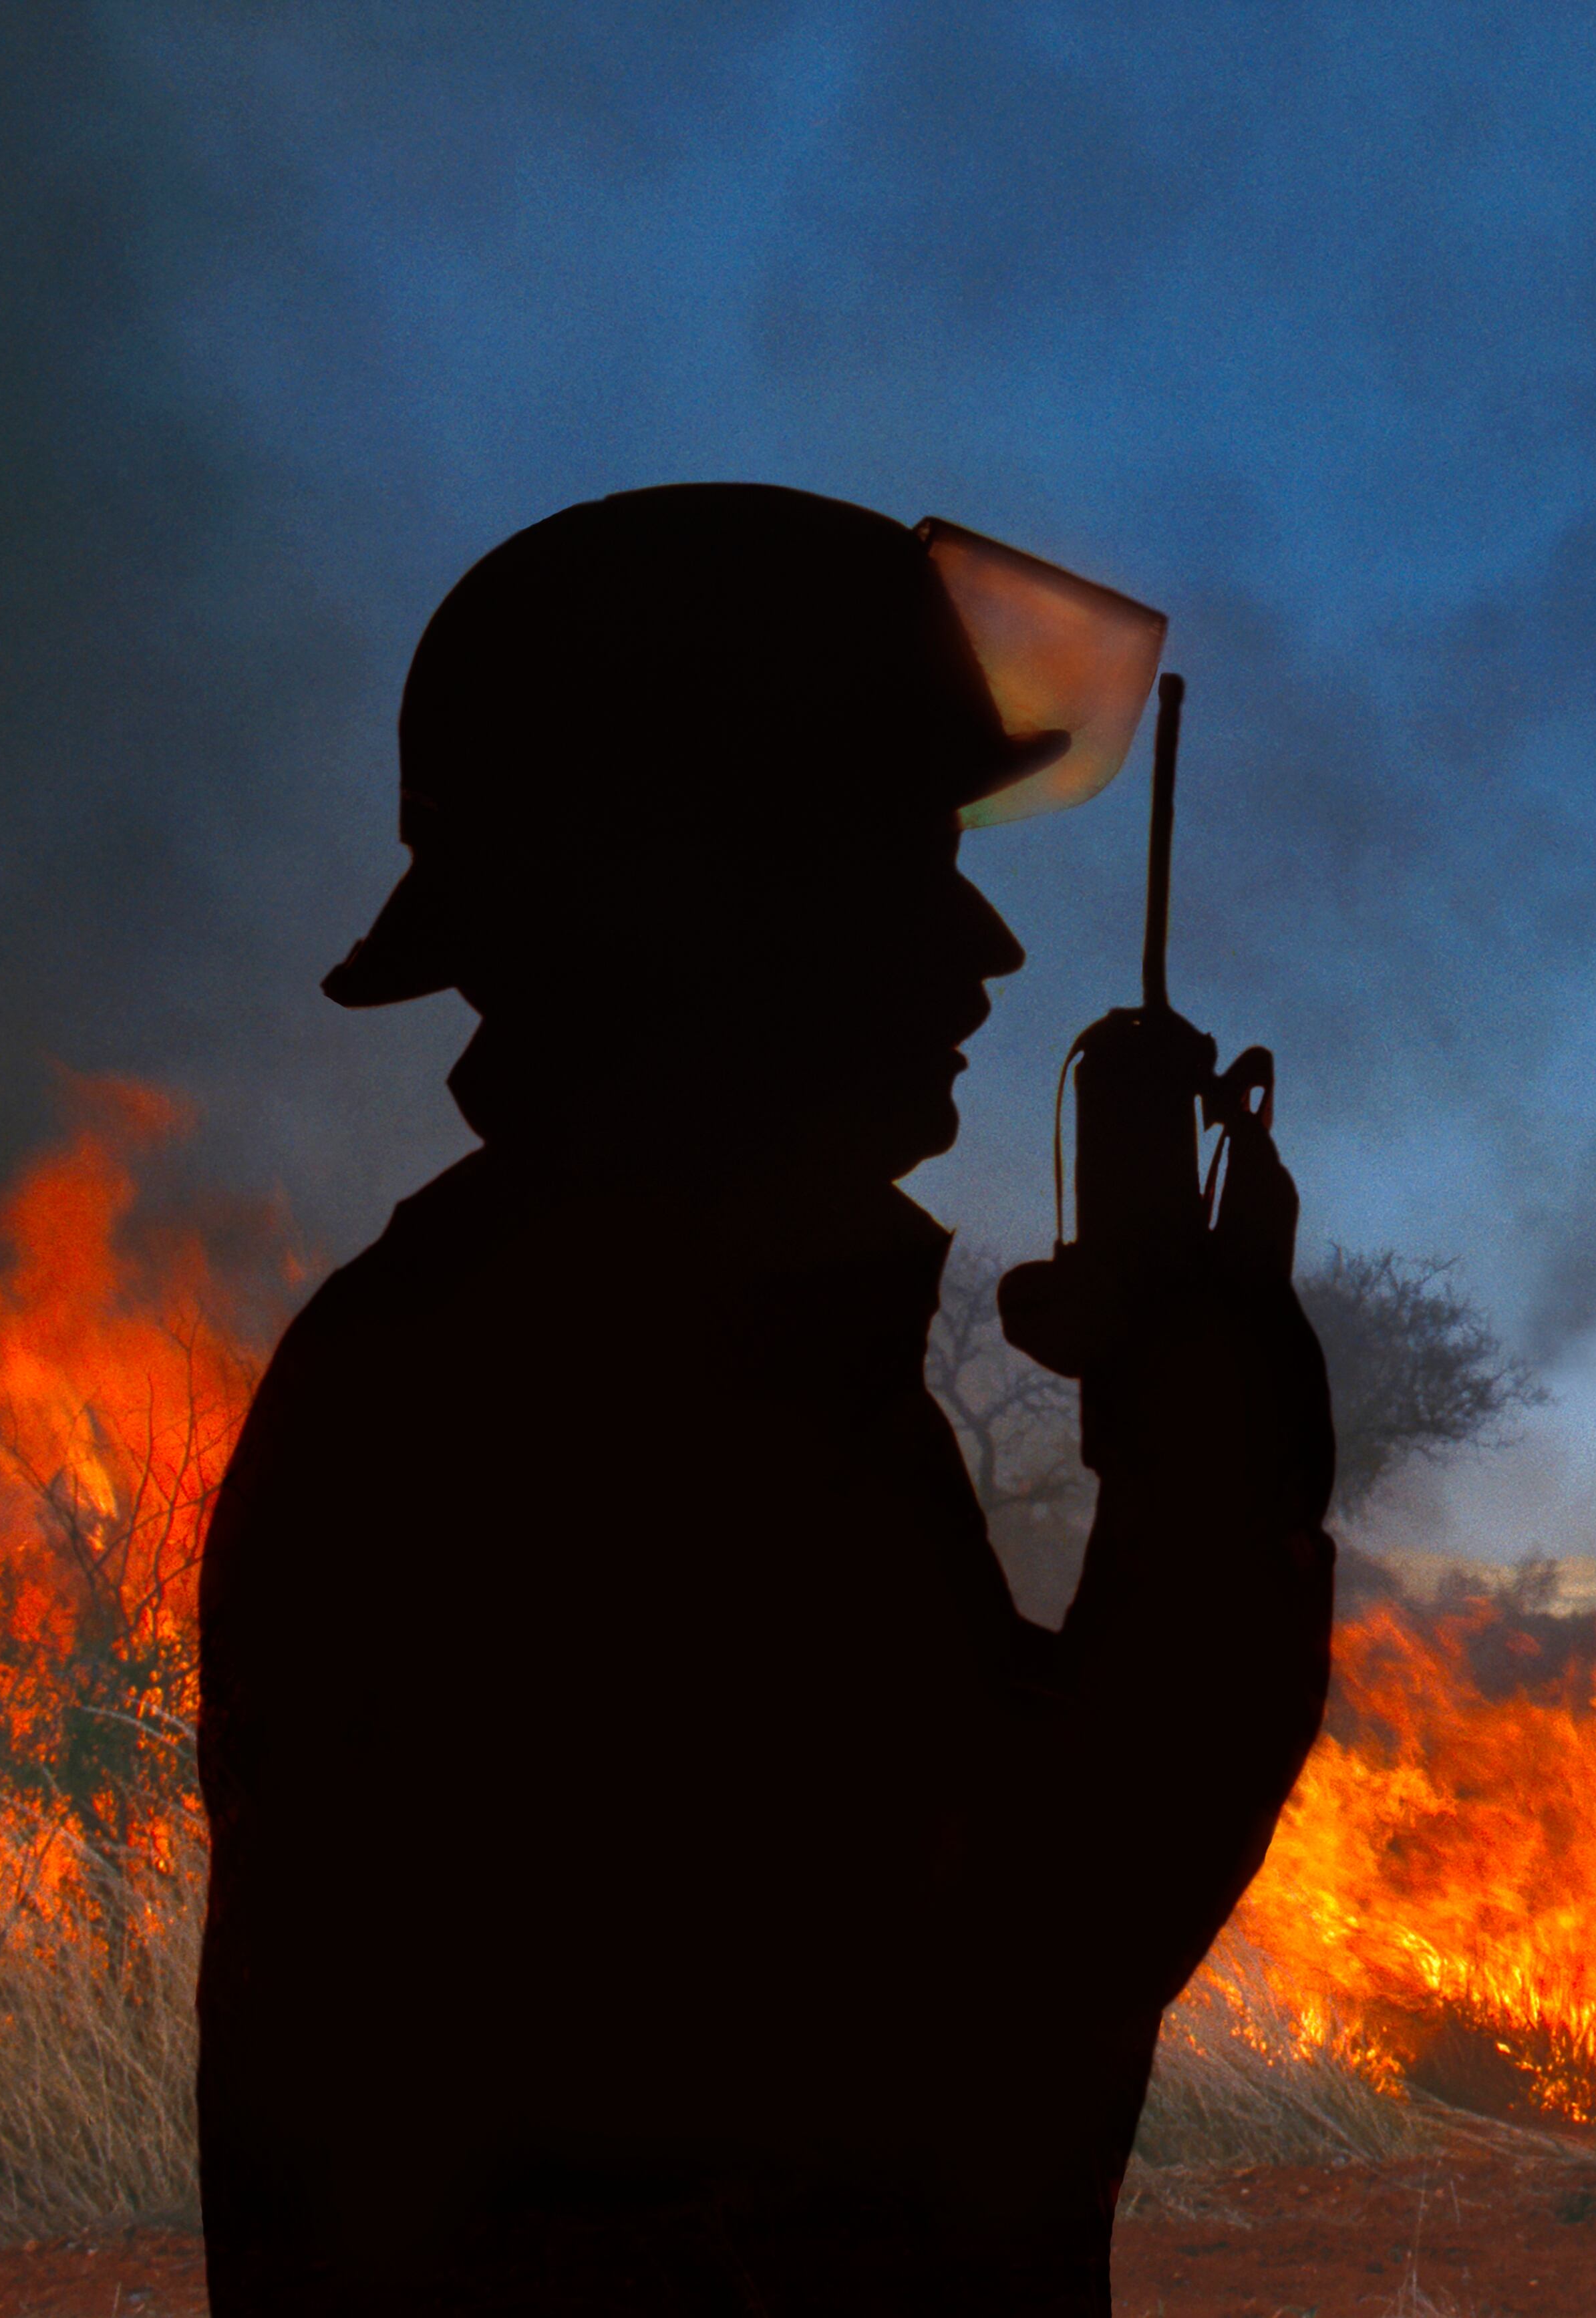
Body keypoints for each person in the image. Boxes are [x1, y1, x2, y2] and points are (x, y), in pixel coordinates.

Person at [194, 484, 1336, 2315]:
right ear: (699, 902)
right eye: (902, 863)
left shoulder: (607, 1332)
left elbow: (923, 1845)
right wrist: (1212, 1429)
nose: (988, 953)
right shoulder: (586, 1401)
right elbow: (1026, 1974)